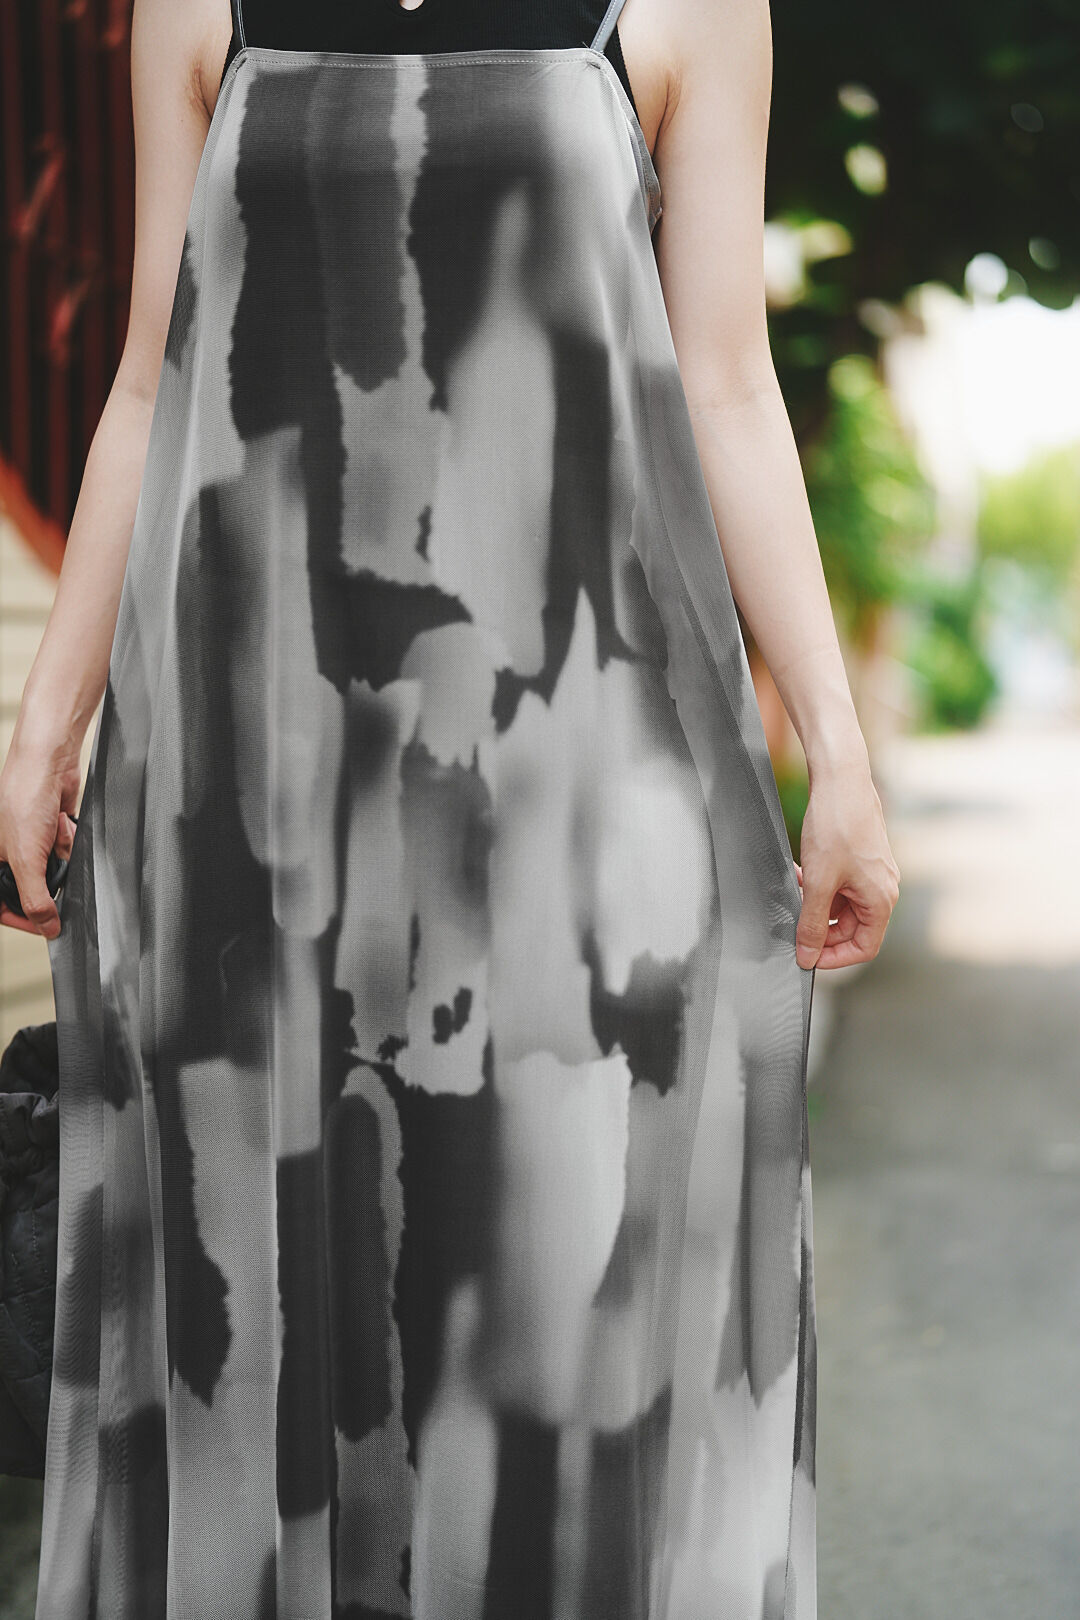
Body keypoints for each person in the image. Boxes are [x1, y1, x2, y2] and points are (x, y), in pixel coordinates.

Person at [0, 0, 900, 1615]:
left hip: (575, 818)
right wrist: (43, 727)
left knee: (550, 1362)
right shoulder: (196, 11)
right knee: (261, 1338)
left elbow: (725, 386)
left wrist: (837, 749)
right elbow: (149, 377)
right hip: (249, 811)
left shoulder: (686, 9)